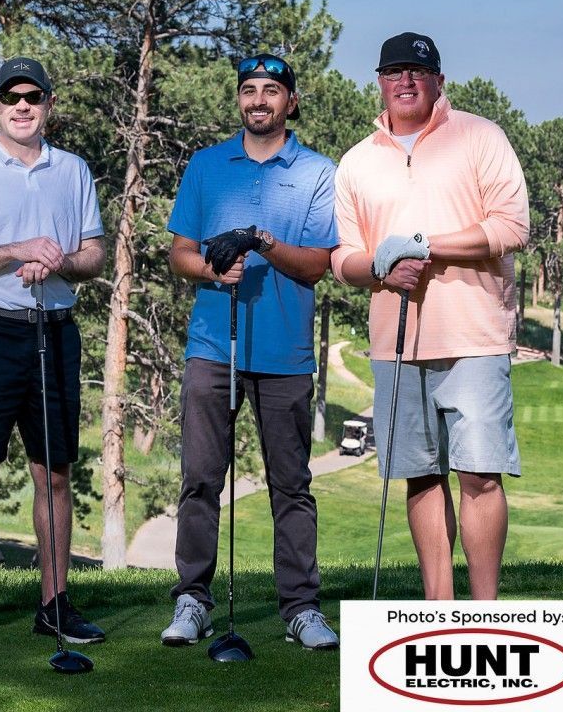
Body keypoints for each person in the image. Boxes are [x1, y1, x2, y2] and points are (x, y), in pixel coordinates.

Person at [330, 32, 529, 600]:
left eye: (418, 71)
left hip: (475, 335)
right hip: (397, 344)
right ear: (380, 82)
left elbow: (512, 228)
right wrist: (381, 270)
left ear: (439, 80)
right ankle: (438, 611)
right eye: (394, 71)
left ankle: (484, 610)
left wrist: (422, 245)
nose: (406, 81)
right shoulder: (357, 162)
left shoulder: (481, 138)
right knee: (420, 475)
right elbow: (343, 257)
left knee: (481, 475)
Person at [161, 52, 340, 650]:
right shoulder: (208, 165)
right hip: (214, 346)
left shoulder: (317, 172)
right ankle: (193, 599)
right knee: (201, 480)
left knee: (291, 484)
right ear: (239, 99)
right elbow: (179, 252)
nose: (258, 100)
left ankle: (300, 608)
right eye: (248, 90)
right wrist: (213, 269)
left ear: (290, 101)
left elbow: (317, 266)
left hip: (285, 351)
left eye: (270, 90)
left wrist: (261, 240)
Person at [0, 57, 107, 653]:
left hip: (54, 331)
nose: (22, 106)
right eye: (12, 97)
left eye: (34, 96)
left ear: (49, 104)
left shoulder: (73, 171)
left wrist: (57, 259)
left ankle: (53, 604)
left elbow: (94, 256)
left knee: (53, 473)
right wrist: (16, 250)